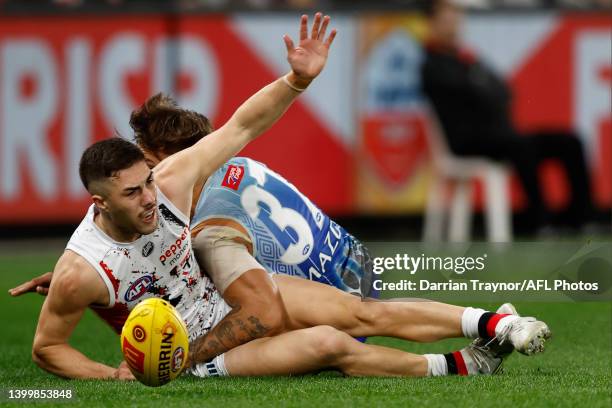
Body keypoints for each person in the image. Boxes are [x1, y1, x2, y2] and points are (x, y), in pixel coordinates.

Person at [24, 12, 338, 380]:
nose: (148, 196)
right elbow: (46, 347)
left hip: (244, 309)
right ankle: (421, 364)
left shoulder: (172, 182)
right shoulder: (84, 266)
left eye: (148, 181)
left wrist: (296, 81)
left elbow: (244, 124)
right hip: (207, 351)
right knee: (336, 342)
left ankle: (422, 362)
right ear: (101, 203)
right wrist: (111, 375)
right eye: (133, 190)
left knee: (353, 323)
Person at [421, 0, 595, 231]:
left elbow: (502, 91)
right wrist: (481, 89)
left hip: (500, 136)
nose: (454, 26)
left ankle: (578, 218)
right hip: (468, 142)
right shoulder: (432, 66)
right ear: (432, 24)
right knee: (521, 147)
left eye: (456, 20)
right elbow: (478, 97)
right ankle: (539, 220)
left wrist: (481, 88)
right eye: (447, 21)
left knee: (570, 141)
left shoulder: (468, 59)